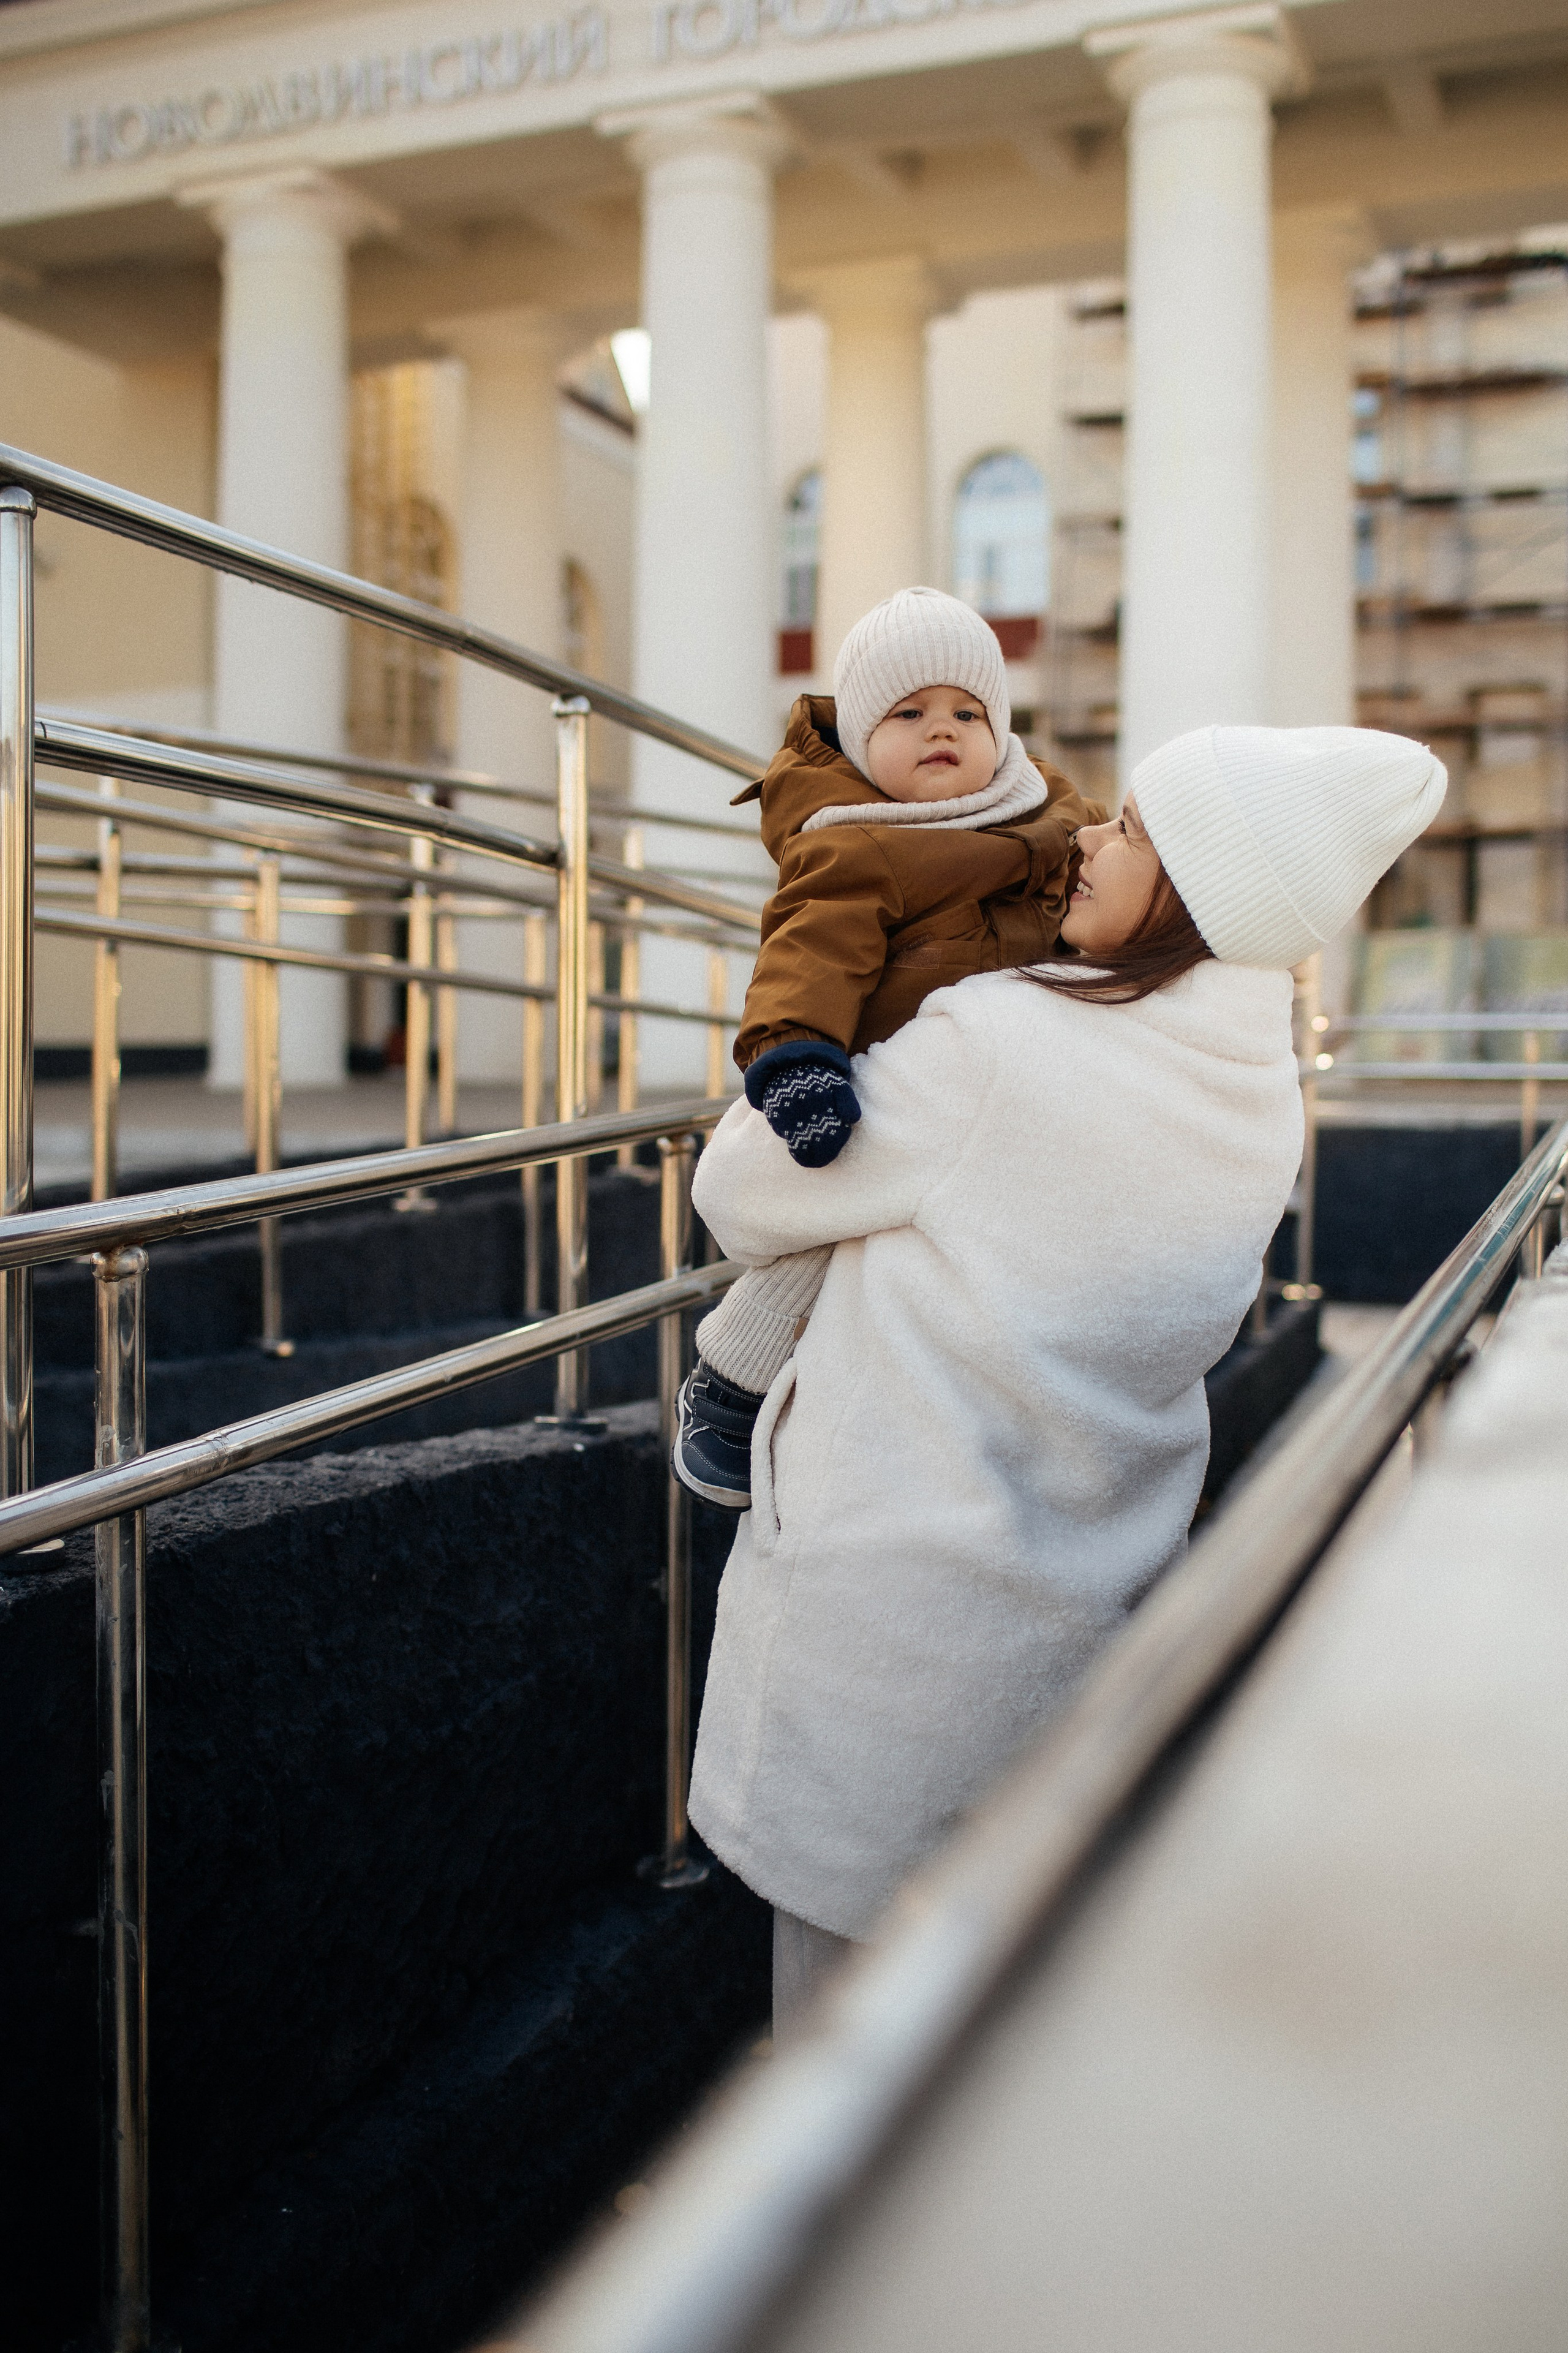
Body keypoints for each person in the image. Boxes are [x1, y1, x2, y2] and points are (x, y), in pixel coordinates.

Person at [685, 720, 1447, 2037]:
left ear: (1206, 888)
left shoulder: (997, 1040)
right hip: (1080, 1628)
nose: (1088, 837)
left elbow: (743, 1190)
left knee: (828, 2090)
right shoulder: (1259, 1092)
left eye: (1137, 829)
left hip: (886, 1626)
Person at [673, 585, 1099, 1511]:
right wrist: (797, 1059)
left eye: (966, 712)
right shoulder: (855, 844)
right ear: (864, 740)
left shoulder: (1054, 821)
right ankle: (732, 1379)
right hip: (879, 1079)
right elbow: (808, 952)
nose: (940, 728)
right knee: (836, 1217)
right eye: (907, 713)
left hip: (1006, 1086)